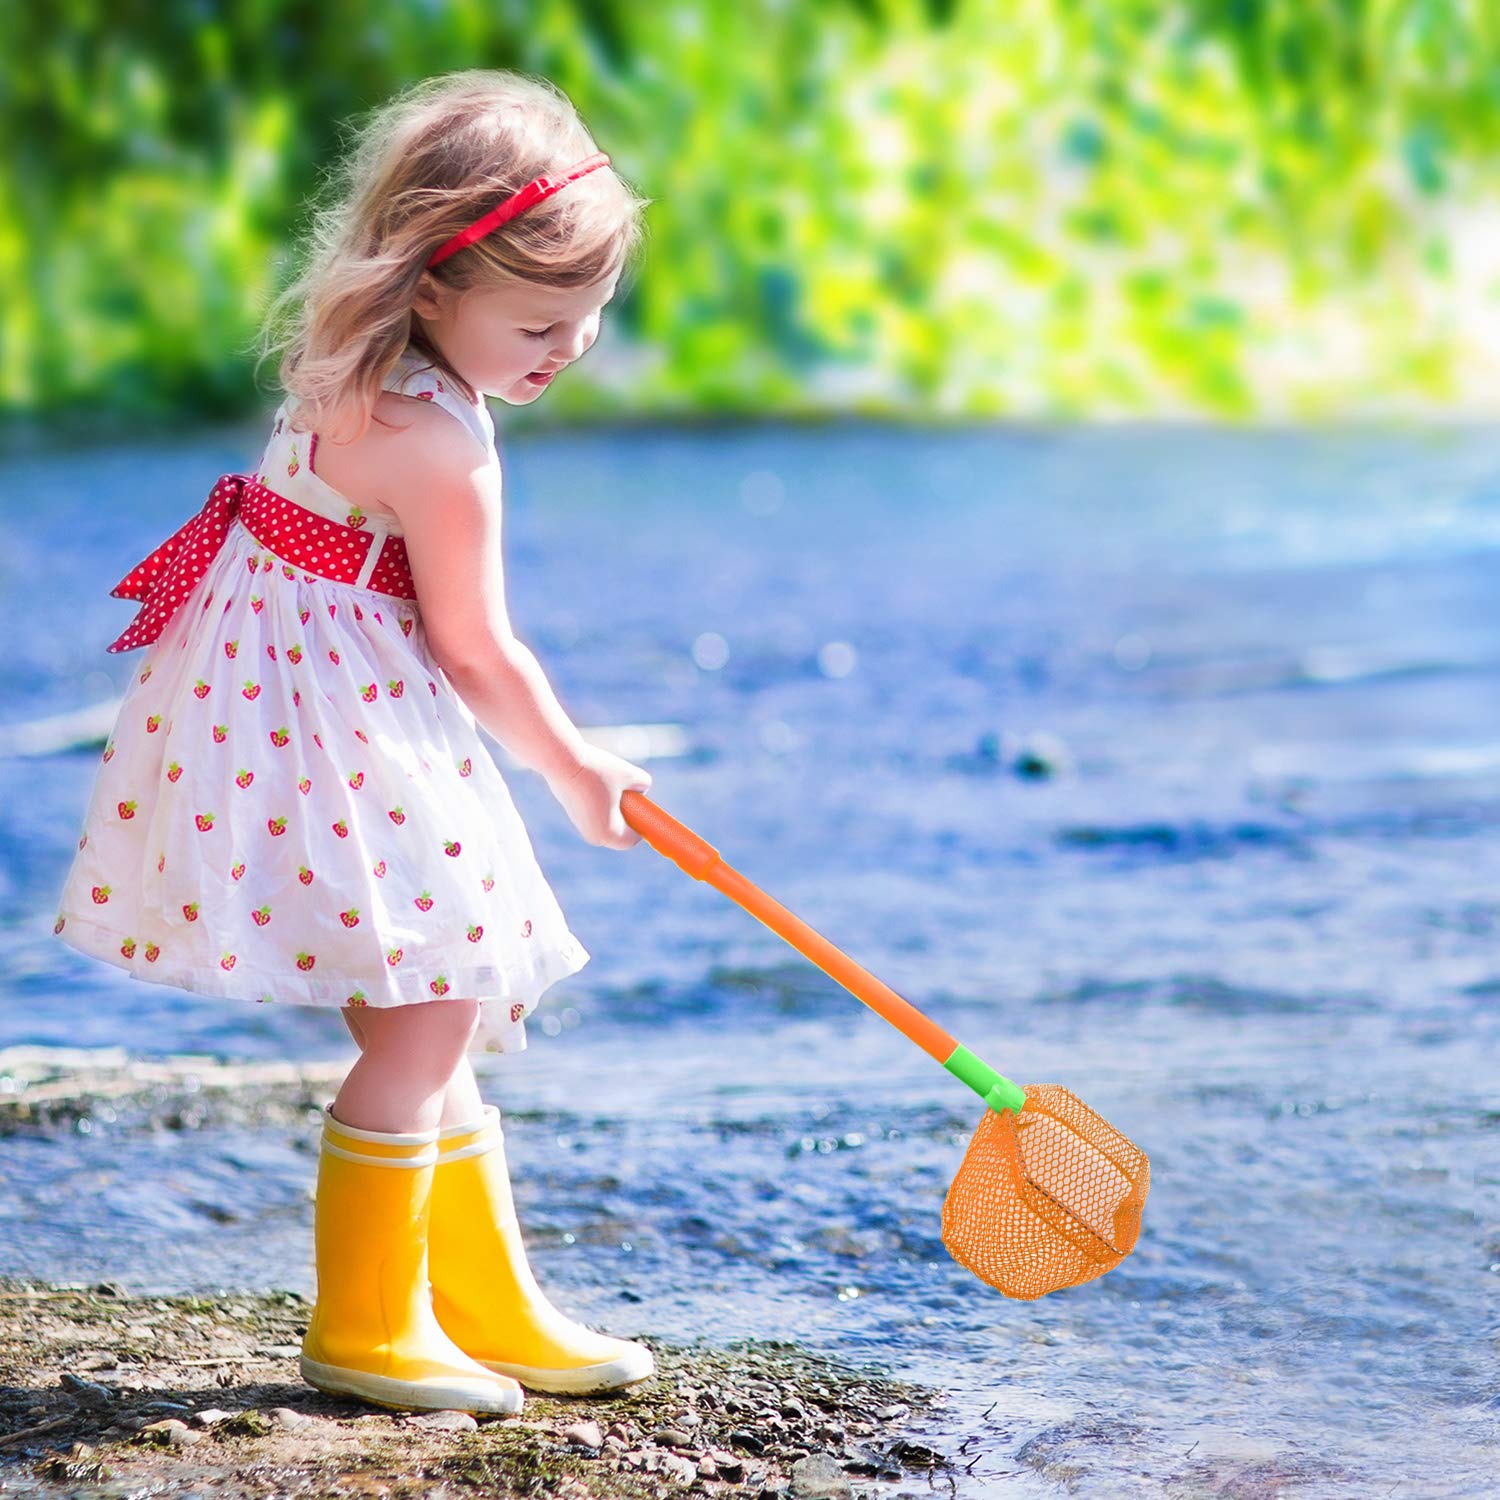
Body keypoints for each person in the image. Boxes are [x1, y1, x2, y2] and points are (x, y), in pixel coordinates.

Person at [50, 70, 658, 1416]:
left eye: (593, 313)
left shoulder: (354, 359)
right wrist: (578, 769)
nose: (575, 345)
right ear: (432, 287)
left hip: (273, 709)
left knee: (426, 1010)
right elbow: (478, 649)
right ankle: (370, 1325)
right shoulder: (441, 444)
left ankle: (482, 1302)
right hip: (346, 723)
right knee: (429, 1015)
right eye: (543, 319)